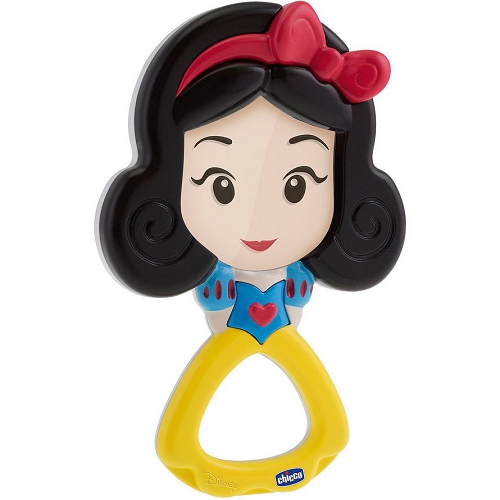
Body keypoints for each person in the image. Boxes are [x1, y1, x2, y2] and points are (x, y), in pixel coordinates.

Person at [97, 2, 405, 495]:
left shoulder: (298, 276)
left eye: (298, 185)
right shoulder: (215, 282)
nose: (260, 221)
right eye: (221, 186)